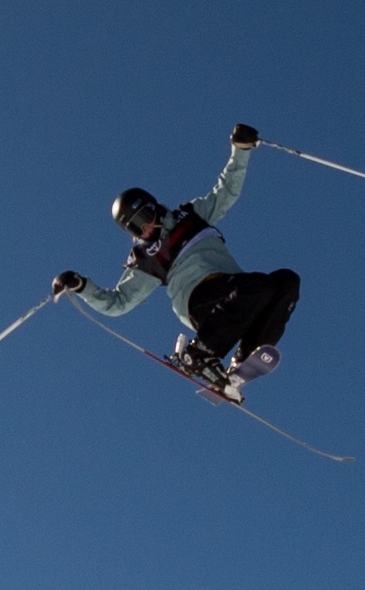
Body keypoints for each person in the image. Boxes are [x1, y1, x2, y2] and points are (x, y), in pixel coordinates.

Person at [57, 123, 299, 399]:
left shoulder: (191, 216)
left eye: (145, 217)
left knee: (286, 282)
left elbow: (226, 191)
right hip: (200, 301)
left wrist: (240, 150)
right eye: (136, 228)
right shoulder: (145, 259)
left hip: (235, 292)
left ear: (154, 206)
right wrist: (81, 285)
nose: (145, 229)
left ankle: (243, 361)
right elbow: (118, 303)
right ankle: (200, 352)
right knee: (257, 287)